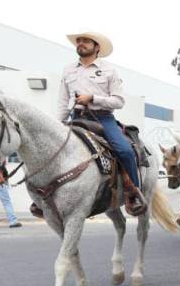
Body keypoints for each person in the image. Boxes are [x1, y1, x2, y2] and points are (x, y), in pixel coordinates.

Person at [57, 31, 146, 215]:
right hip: (77, 118)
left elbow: (119, 101)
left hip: (103, 118)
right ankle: (47, 197)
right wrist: (58, 123)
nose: (80, 43)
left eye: (85, 41)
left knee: (125, 150)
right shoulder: (68, 70)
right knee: (54, 149)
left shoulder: (109, 70)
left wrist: (93, 98)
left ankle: (134, 193)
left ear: (97, 47)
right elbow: (62, 103)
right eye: (78, 41)